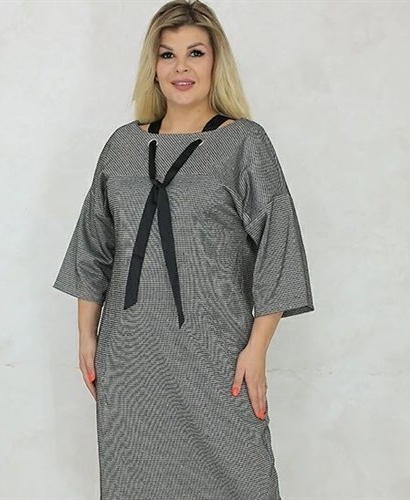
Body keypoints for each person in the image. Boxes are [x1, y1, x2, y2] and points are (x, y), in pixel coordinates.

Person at [53, 0, 315, 498]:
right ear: (153, 65)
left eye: (195, 52)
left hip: (217, 353)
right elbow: (94, 245)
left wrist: (257, 350)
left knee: (245, 480)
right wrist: (87, 336)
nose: (181, 68)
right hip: (130, 356)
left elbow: (278, 245)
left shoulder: (244, 143)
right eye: (167, 54)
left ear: (216, 61)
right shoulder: (122, 146)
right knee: (137, 483)